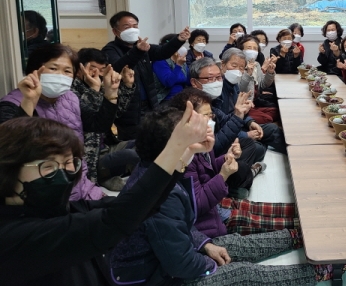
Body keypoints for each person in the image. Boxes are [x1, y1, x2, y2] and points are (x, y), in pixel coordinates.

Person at [110, 106, 333, 286]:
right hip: (157, 276)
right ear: (173, 144)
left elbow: (180, 228)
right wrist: (210, 264)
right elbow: (179, 264)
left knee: (233, 245)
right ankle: (318, 272)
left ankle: (296, 237)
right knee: (242, 273)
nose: (204, 131)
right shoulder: (159, 194)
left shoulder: (159, 170)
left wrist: (205, 244)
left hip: (168, 256)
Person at [0, 101, 211, 285]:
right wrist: (175, 146)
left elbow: (135, 207)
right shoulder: (14, 237)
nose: (63, 174)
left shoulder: (56, 210)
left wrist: (185, 153)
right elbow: (114, 221)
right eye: (48, 166)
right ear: (9, 169)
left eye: (68, 163)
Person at [176, 89, 297, 237]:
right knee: (261, 221)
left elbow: (209, 169)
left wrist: (226, 157)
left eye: (210, 115)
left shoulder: (202, 139)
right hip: (210, 222)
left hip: (216, 204)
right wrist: (223, 175)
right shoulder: (184, 156)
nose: (210, 120)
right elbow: (197, 205)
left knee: (261, 208)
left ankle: (300, 213)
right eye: (205, 116)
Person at [0, 44, 104, 200]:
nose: (60, 75)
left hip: (80, 185)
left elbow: (97, 123)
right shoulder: (11, 103)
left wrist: (111, 94)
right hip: (42, 194)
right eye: (53, 68)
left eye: (67, 71)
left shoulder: (70, 97)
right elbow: (9, 150)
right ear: (35, 70)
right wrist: (29, 101)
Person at [102, 11, 189, 140]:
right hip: (129, 107)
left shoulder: (141, 46)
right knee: (133, 143)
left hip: (149, 103)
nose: (132, 29)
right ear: (115, 31)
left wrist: (178, 40)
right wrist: (137, 51)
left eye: (135, 26)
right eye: (127, 27)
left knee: (154, 138)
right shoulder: (110, 50)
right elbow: (119, 67)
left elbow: (162, 52)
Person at [72, 47, 138, 191]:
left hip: (107, 147)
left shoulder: (99, 84)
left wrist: (127, 86)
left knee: (144, 143)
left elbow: (115, 113)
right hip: (90, 157)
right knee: (130, 155)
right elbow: (91, 122)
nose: (97, 73)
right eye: (92, 68)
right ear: (79, 68)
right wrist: (94, 90)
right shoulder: (72, 91)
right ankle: (106, 179)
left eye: (102, 69)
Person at [188, 57, 271, 165]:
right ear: (194, 82)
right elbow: (212, 146)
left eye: (218, 77)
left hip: (230, 134)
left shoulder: (212, 97)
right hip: (207, 156)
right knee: (255, 148)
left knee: (265, 134)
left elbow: (225, 118)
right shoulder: (192, 105)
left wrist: (247, 119)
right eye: (210, 78)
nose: (216, 82)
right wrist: (243, 130)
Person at [217, 49, 287, 155]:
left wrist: (250, 122)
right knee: (257, 148)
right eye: (234, 65)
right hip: (227, 132)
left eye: (241, 68)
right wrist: (245, 135)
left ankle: (295, 152)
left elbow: (240, 111)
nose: (237, 71)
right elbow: (220, 126)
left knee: (272, 129)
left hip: (238, 125)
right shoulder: (217, 89)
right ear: (223, 65)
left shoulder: (234, 84)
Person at [153, 33, 190, 103]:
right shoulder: (160, 61)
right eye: (179, 45)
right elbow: (168, 82)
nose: (182, 48)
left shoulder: (181, 61)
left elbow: (188, 81)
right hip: (166, 100)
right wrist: (178, 65)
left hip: (181, 97)